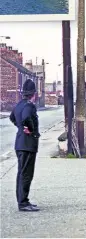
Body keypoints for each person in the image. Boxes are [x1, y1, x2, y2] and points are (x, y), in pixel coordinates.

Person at [9, 79, 41, 212]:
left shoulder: (19, 104)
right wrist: (30, 129)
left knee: (22, 173)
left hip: (20, 143)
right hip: (28, 144)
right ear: (34, 93)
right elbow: (26, 117)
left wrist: (21, 127)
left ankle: (23, 200)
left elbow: (12, 117)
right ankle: (23, 203)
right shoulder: (29, 105)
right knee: (26, 174)